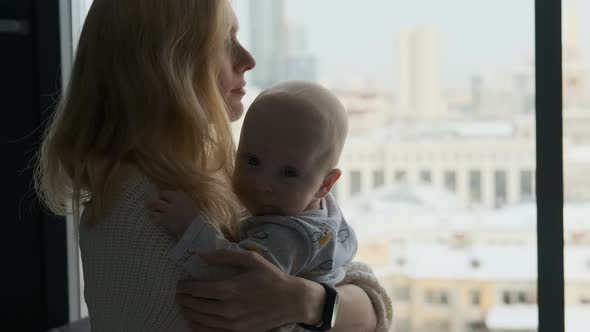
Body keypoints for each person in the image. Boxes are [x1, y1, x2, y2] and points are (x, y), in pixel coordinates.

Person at [34, 0, 392, 331]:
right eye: (225, 40)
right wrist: (314, 303)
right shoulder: (148, 208)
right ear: (169, 62)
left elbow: (367, 297)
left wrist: (308, 300)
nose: (248, 59)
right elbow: (366, 308)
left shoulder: (212, 172)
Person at [150, 81, 357, 289]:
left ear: (325, 184)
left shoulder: (290, 237)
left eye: (288, 173)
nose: (262, 184)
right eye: (252, 161)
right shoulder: (321, 206)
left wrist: (189, 226)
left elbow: (233, 277)